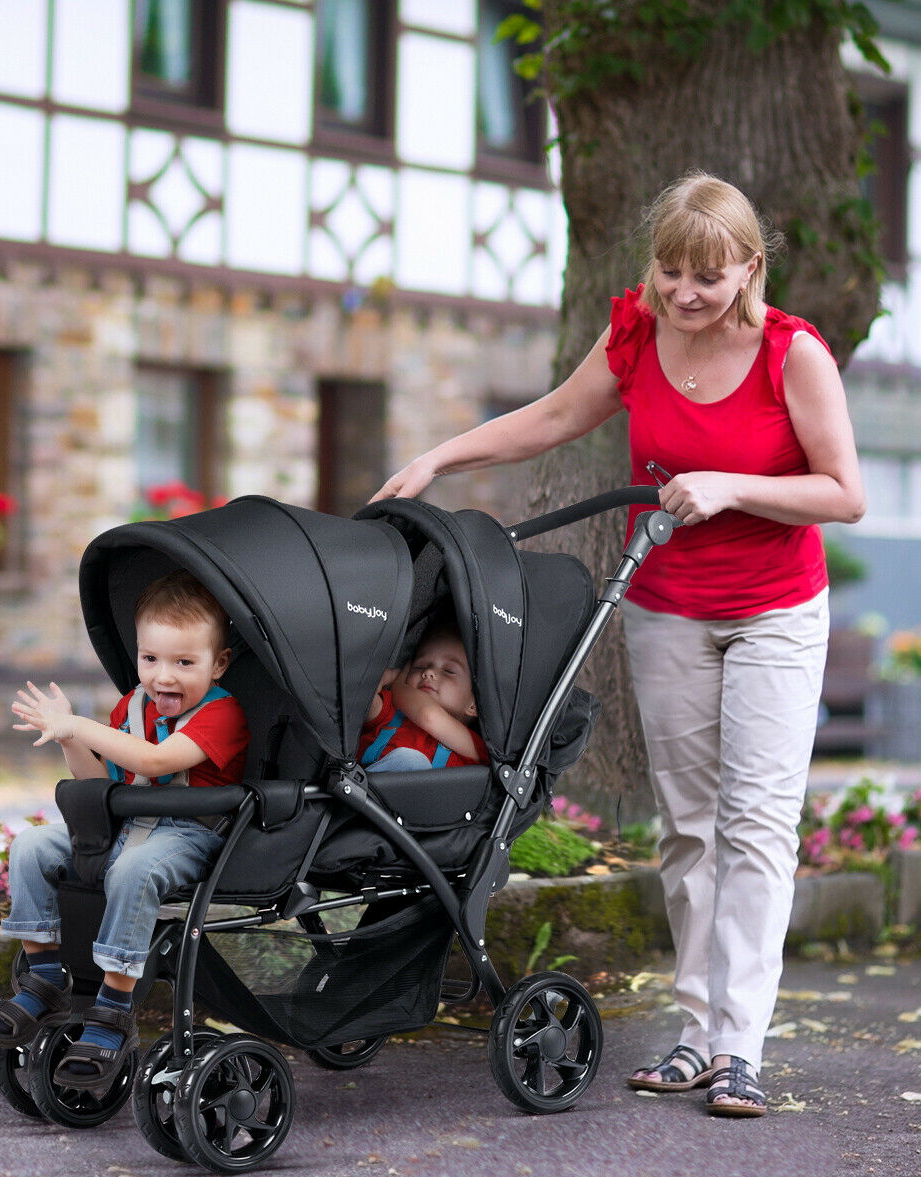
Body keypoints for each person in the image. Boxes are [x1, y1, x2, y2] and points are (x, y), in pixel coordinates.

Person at [371, 172, 865, 1118]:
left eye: (708, 277)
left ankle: (741, 1047)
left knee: (757, 825)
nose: (685, 293)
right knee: (689, 824)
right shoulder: (637, 331)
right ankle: (695, 1034)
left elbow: (844, 493)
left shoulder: (792, 354)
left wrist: (729, 485)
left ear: (749, 269)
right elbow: (556, 416)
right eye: (671, 272)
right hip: (669, 605)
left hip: (774, 611)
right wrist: (441, 457)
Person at [0, 569, 249, 1089]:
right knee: (31, 846)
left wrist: (81, 724)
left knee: (133, 871)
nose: (163, 676)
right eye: (150, 659)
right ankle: (44, 977)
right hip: (124, 824)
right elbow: (99, 783)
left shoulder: (223, 714)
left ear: (218, 664)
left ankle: (114, 1008)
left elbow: (156, 760)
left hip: (190, 833)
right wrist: (68, 738)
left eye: (184, 663)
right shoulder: (132, 706)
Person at [360, 622, 489, 772]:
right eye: (419, 666)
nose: (428, 672)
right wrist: (388, 675)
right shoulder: (389, 711)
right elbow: (361, 694)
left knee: (414, 762)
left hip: (427, 787)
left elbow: (428, 715)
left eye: (449, 671)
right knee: (411, 762)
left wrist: (398, 683)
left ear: (474, 705)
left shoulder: (474, 746)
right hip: (369, 784)